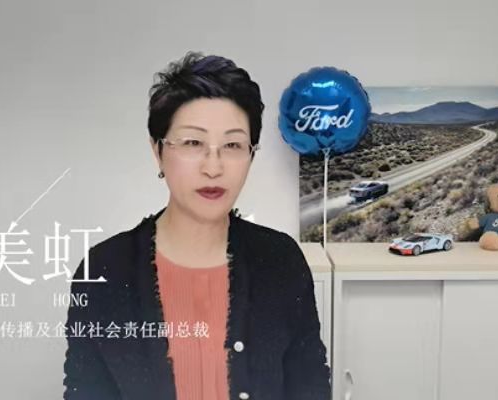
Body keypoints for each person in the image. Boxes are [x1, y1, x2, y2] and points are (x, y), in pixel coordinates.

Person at [63, 51, 331, 400]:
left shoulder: (281, 259)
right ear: (158, 151)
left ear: (251, 154)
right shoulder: (104, 269)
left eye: (232, 145)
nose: (213, 167)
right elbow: (85, 390)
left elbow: (310, 384)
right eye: (193, 143)